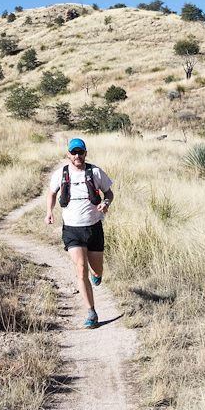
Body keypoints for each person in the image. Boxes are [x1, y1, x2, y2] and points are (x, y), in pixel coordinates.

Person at [45, 137, 114, 329]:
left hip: (93, 227)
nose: (77, 156)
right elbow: (51, 193)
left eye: (80, 152)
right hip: (72, 229)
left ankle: (97, 275)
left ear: (85, 153)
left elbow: (109, 193)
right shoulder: (61, 174)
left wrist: (105, 203)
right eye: (73, 152)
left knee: (96, 269)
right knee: (81, 268)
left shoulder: (95, 172)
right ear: (68, 154)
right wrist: (49, 212)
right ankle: (91, 312)